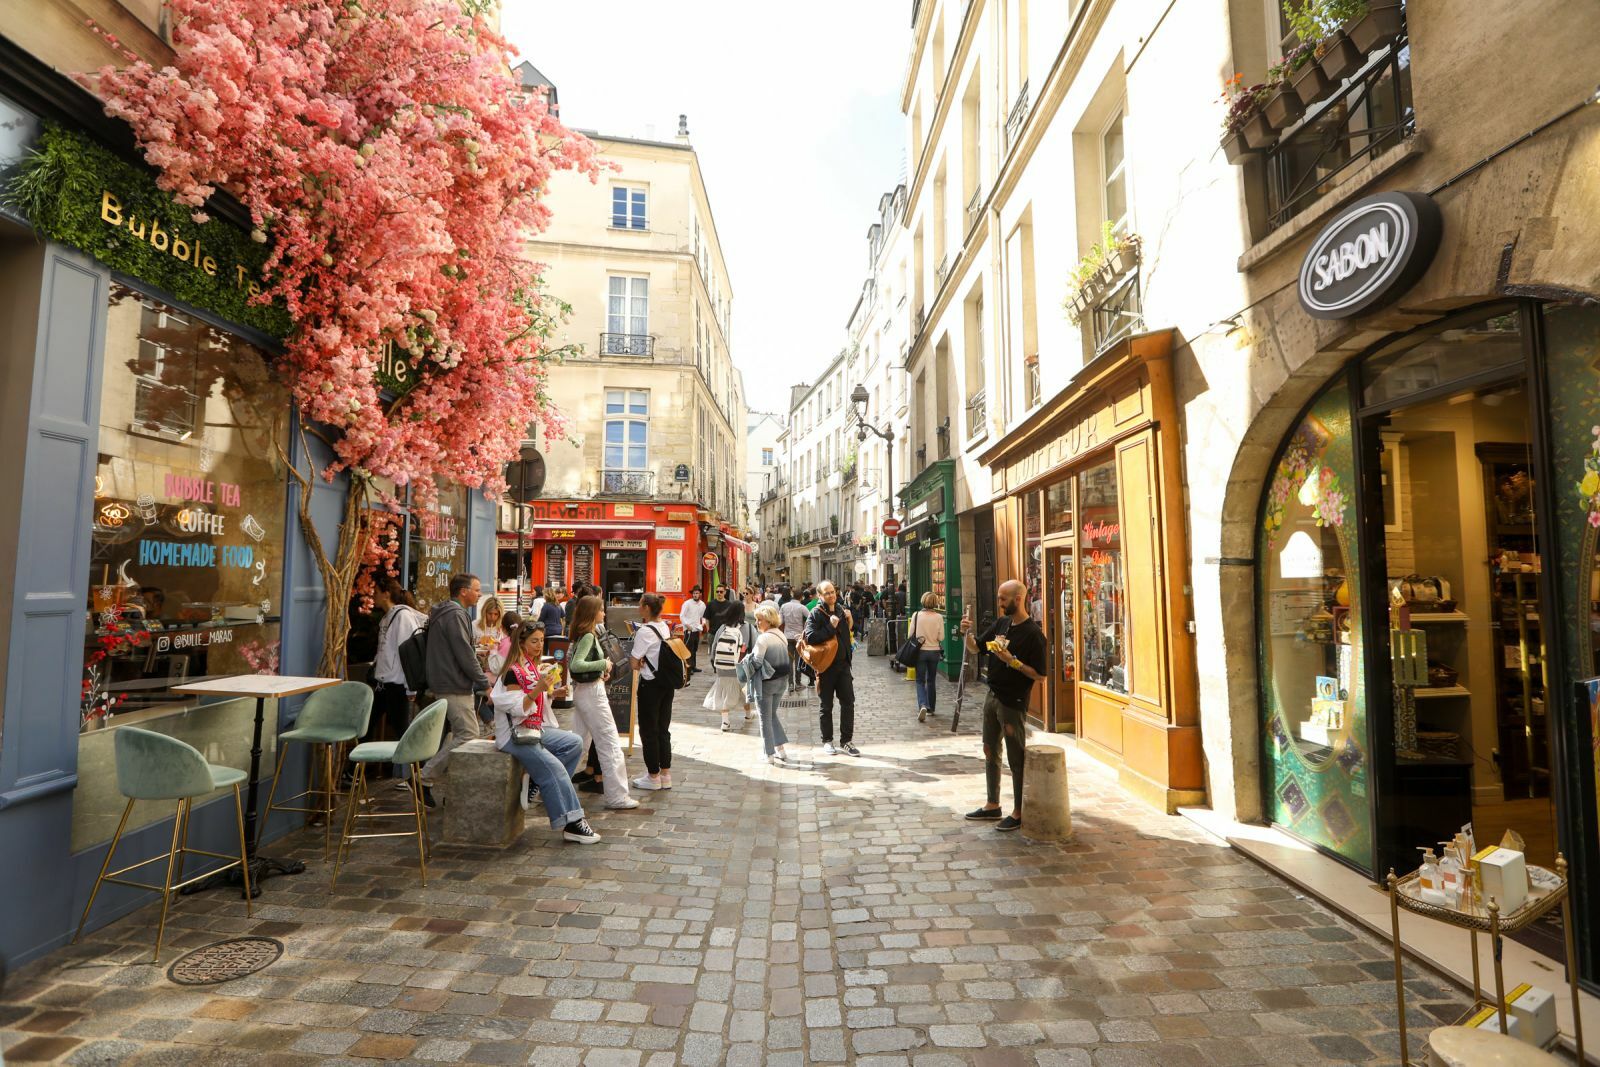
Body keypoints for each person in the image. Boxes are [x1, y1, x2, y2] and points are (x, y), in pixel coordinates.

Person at [489, 621, 601, 844]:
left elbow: (533, 702)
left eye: (541, 640)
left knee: (574, 743)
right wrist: (539, 689)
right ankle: (572, 822)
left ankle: (536, 782)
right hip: (515, 736)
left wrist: (551, 692)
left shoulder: (530, 666)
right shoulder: (513, 672)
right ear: (521, 643)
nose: (540, 645)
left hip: (532, 730)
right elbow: (516, 708)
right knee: (555, 769)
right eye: (534, 641)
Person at [960, 580, 1049, 833]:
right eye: (999, 598)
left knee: (1016, 758)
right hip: (993, 696)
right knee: (990, 750)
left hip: (1013, 702)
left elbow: (1041, 676)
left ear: (1018, 599)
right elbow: (976, 648)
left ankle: (1019, 812)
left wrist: (1012, 661)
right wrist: (965, 633)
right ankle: (992, 804)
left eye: (1003, 599)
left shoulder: (1033, 634)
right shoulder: (1002, 624)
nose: (999, 603)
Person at [419, 573, 490, 807]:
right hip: (453, 684)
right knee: (468, 734)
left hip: (446, 681)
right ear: (463, 591)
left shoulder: (445, 613)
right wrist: (484, 683)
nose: (480, 594)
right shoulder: (456, 615)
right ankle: (424, 778)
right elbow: (464, 654)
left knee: (455, 734)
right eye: (477, 590)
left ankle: (454, 788)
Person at [565, 595, 639, 810]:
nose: (604, 613)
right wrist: (604, 663)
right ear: (592, 613)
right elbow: (577, 665)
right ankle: (617, 796)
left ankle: (548, 784)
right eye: (601, 609)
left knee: (577, 743)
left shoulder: (583, 634)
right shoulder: (588, 635)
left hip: (585, 691)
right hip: (592, 694)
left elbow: (579, 664)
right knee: (609, 743)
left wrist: (599, 670)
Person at [369, 580, 426, 780]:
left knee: (403, 732)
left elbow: (407, 653)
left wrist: (410, 688)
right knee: (367, 726)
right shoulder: (387, 617)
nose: (372, 595)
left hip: (397, 684)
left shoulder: (402, 617)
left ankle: (418, 776)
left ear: (386, 594)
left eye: (375, 591)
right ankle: (360, 771)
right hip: (383, 684)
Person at [629, 593, 680, 791]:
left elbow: (634, 662)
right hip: (666, 684)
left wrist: (640, 662)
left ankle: (653, 776)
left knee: (649, 730)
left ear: (647, 608)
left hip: (650, 684)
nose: (638, 608)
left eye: (641, 605)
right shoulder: (664, 626)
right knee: (663, 728)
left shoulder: (644, 631)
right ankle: (665, 774)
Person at [805, 580, 859, 756]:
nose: (831, 595)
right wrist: (831, 626)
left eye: (833, 592)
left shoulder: (840, 610)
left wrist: (849, 622)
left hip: (843, 666)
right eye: (826, 593)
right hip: (826, 667)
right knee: (826, 706)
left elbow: (846, 633)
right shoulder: (815, 613)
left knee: (848, 703)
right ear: (820, 596)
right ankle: (827, 741)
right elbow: (811, 637)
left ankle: (846, 741)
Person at [752, 605, 796, 766]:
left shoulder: (763, 638)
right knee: (771, 715)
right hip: (782, 681)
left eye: (759, 620)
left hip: (767, 682)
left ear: (768, 621)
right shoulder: (780, 635)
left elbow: (756, 662)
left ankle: (768, 753)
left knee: (764, 718)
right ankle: (781, 749)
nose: (757, 622)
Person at [705, 601, 756, 732]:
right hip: (741, 665)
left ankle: (725, 722)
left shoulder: (722, 628)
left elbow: (714, 647)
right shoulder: (749, 628)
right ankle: (748, 714)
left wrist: (715, 664)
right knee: (743, 690)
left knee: (723, 691)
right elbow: (755, 648)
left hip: (723, 666)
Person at [910, 592, 946, 723]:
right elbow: (941, 637)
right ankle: (931, 708)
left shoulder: (916, 615)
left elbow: (910, 635)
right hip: (934, 652)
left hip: (920, 652)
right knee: (931, 680)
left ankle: (923, 705)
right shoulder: (939, 617)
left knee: (920, 680)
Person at [779, 588, 809, 689]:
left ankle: (790, 684)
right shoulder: (802, 607)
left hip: (787, 637)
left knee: (789, 661)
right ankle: (798, 683)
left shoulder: (784, 606)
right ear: (801, 597)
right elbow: (810, 619)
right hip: (798, 637)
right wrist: (804, 628)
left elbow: (780, 622)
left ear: (792, 595)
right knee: (798, 661)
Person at [679, 586, 707, 676]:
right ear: (692, 594)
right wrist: (687, 625)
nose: (695, 595)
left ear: (700, 594)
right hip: (688, 630)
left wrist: (702, 624)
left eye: (697, 593)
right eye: (694, 593)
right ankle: (688, 667)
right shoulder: (687, 603)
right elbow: (682, 616)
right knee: (688, 649)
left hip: (696, 629)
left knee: (694, 649)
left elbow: (703, 616)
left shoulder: (702, 604)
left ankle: (693, 666)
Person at [487, 610, 520, 677]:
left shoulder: (506, 643)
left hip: (506, 680)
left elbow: (496, 669)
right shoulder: (522, 641)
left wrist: (493, 649)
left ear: (502, 627)